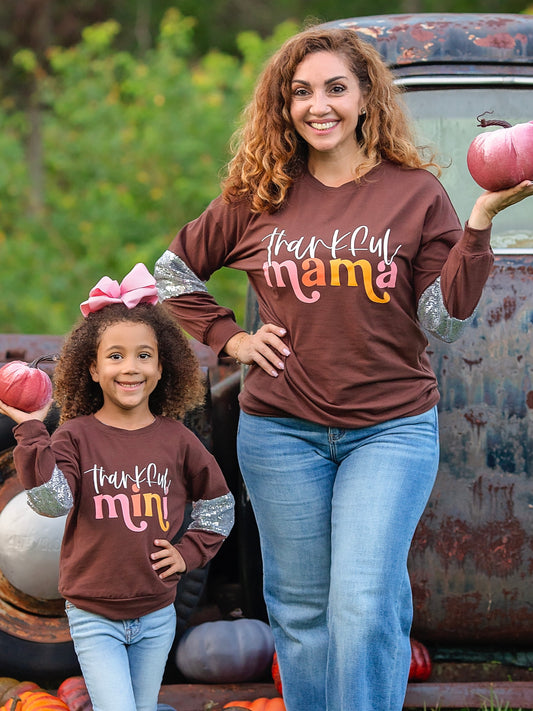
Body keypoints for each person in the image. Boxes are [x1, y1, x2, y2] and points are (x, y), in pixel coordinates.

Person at [153, 26, 533, 711]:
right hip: (280, 432)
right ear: (283, 105)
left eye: (334, 88)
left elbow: (440, 318)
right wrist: (229, 339)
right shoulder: (258, 193)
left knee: (360, 600)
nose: (316, 105)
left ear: (365, 99)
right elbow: (174, 272)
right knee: (298, 614)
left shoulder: (413, 192)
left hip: (388, 429)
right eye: (300, 92)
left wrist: (477, 223)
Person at [0, 263, 234, 711]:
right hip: (93, 616)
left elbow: (219, 505)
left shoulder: (178, 440)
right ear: (91, 368)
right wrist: (31, 430)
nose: (130, 368)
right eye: (115, 356)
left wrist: (188, 553)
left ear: (163, 366)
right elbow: (51, 503)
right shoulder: (73, 437)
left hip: (158, 613)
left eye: (144, 356)